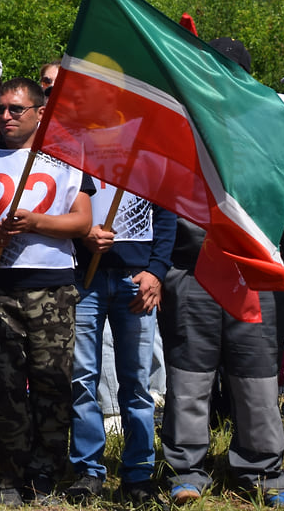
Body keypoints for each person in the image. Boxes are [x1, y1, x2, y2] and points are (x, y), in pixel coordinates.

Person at [160, 38, 284, 507]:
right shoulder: (180, 129)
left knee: (259, 379)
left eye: (229, 72)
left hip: (256, 275)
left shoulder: (273, 130)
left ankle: (264, 473)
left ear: (244, 78)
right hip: (192, 270)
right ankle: (186, 470)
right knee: (189, 379)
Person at [0, 78, 93, 506]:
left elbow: (81, 222)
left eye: (16, 109)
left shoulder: (66, 160)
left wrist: (35, 223)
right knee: (3, 386)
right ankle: (8, 472)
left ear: (39, 113)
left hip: (52, 289)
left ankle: (45, 472)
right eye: (0, 110)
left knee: (52, 384)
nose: (6, 116)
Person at [67, 181, 174, 504]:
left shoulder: (148, 159)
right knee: (82, 378)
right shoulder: (79, 151)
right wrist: (82, 234)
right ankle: (88, 471)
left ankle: (139, 474)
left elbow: (166, 215)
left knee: (137, 382)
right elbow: (61, 203)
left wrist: (156, 271)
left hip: (136, 280)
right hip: (84, 278)